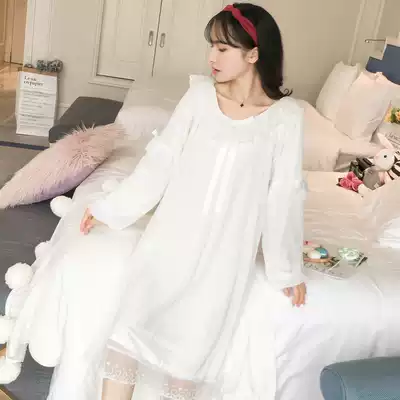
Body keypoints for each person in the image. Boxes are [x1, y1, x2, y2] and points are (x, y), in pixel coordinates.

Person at [80, 3, 306, 399]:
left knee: (186, 364)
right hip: (167, 244)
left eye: (223, 48)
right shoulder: (200, 96)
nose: (211, 57)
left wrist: (286, 271)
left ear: (253, 54)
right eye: (211, 46)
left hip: (222, 261)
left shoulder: (286, 118)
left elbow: (283, 196)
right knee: (126, 338)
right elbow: (161, 162)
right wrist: (109, 209)